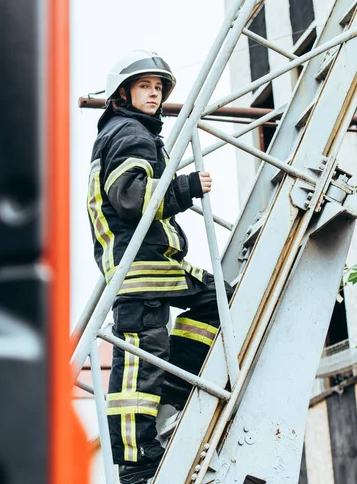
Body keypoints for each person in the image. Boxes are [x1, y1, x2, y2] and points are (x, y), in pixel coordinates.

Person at [87, 50, 233, 484]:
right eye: (144, 87)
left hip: (155, 265)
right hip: (141, 268)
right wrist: (186, 186)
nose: (153, 94)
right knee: (139, 365)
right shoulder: (129, 132)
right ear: (122, 94)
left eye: (158, 88)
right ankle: (135, 463)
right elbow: (131, 196)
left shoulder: (130, 131)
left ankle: (176, 383)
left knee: (217, 301)